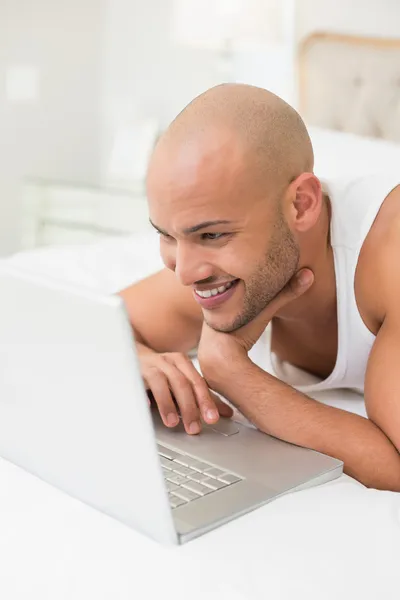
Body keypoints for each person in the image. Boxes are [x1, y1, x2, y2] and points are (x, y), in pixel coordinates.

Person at [119, 83, 400, 491]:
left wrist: (231, 371)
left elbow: (394, 465)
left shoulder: (387, 257)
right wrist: (139, 359)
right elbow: (96, 326)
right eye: (166, 235)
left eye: (212, 235)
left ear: (301, 204)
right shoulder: (202, 263)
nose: (184, 273)